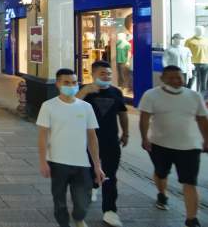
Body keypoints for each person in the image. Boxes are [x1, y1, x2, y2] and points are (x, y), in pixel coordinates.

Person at [139, 65, 208, 227]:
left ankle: (192, 218)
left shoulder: (194, 96)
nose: (176, 80)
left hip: (190, 147)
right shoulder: (151, 95)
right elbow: (144, 118)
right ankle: (162, 194)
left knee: (190, 182)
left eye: (179, 77)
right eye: (171, 77)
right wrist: (144, 138)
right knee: (161, 174)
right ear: (162, 79)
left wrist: (206, 139)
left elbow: (202, 119)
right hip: (160, 144)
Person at [37, 68, 105, 227]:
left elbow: (92, 138)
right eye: (66, 82)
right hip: (57, 162)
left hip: (82, 163)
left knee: (83, 202)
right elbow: (42, 136)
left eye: (74, 82)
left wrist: (97, 165)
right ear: (58, 84)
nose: (71, 85)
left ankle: (78, 217)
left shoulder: (86, 107)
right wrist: (42, 161)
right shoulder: (48, 106)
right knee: (59, 201)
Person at [77, 61, 129, 227]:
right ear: (93, 75)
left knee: (110, 176)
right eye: (102, 74)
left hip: (110, 141)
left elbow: (122, 113)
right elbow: (70, 107)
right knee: (90, 170)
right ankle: (93, 185)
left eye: (109, 74)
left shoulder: (116, 92)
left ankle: (110, 211)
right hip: (88, 141)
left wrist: (125, 132)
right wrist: (84, 91)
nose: (106, 77)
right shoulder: (85, 91)